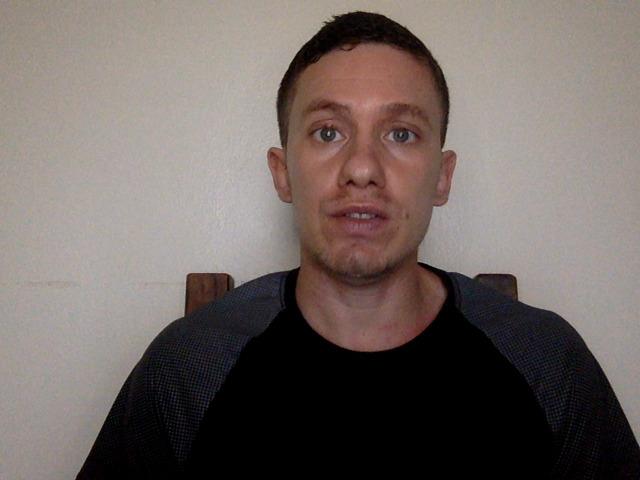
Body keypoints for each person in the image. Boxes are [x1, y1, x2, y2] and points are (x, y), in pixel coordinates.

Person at [78, 11, 639, 479]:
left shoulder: (547, 363)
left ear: (442, 177)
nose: (362, 168)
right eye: (328, 132)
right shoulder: (189, 368)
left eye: (401, 133)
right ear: (282, 173)